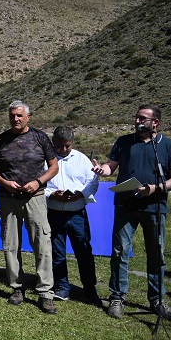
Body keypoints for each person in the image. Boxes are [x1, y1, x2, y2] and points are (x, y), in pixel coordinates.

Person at [91, 105, 171, 319]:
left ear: (155, 123)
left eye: (142, 118)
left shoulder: (168, 146)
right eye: (136, 118)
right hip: (126, 205)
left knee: (156, 254)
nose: (137, 122)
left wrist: (154, 188)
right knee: (120, 251)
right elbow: (110, 166)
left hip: (155, 207)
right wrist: (102, 170)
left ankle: (157, 300)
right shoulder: (124, 142)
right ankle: (117, 297)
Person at [0, 100, 59, 314]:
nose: (15, 119)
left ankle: (45, 292)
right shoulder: (1, 140)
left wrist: (38, 182)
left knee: (42, 243)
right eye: (12, 116)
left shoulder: (39, 137)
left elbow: (54, 166)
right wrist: (4, 182)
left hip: (35, 197)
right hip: (8, 199)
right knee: (10, 244)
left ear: (28, 117)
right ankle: (17, 288)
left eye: (19, 115)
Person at [45, 126, 100, 305]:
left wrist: (81, 194)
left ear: (72, 143)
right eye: (60, 146)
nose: (63, 149)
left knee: (84, 251)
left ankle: (90, 288)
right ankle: (61, 286)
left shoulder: (82, 159)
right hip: (54, 212)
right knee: (57, 252)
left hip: (77, 213)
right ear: (53, 141)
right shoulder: (45, 159)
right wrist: (51, 194)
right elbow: (39, 183)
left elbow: (92, 182)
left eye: (67, 146)